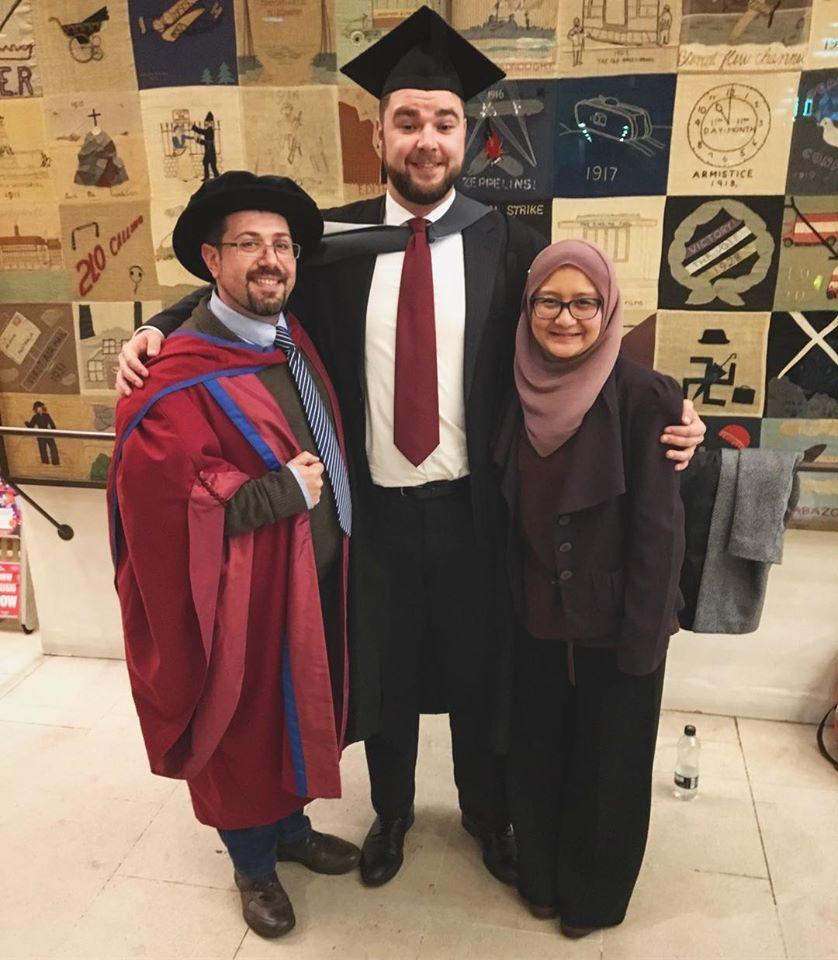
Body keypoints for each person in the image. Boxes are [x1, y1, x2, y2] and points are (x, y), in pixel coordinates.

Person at [115, 5, 705, 893]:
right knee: (383, 673)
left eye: (444, 122)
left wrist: (673, 412)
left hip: (477, 510)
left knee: (481, 674)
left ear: (466, 135)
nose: (426, 139)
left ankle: (485, 814)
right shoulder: (331, 243)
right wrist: (158, 327)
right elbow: (244, 291)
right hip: (372, 512)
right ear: (380, 133)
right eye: (408, 122)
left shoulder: (509, 242)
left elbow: (579, 332)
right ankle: (389, 813)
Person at [107, 173, 360, 940]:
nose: (270, 259)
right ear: (212, 260)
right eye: (249, 244)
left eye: (281, 244)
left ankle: (289, 829)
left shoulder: (287, 337)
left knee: (292, 710)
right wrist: (278, 494)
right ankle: (252, 864)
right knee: (239, 727)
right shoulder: (172, 375)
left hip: (307, 581)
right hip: (234, 598)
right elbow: (162, 508)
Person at [494, 239, 685, 938]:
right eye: (549, 300)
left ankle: (593, 900)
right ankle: (542, 881)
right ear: (528, 307)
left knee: (610, 766)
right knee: (537, 752)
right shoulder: (511, 388)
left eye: (584, 303)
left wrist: (644, 637)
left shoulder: (645, 396)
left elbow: (660, 531)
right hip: (532, 615)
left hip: (616, 618)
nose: (566, 318)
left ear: (608, 310)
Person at [25, 401, 60, 466]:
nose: (38, 409)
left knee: (53, 447)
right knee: (42, 449)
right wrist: (26, 423)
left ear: (42, 408)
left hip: (48, 433)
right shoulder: (35, 417)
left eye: (39, 407)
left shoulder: (47, 415)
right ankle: (45, 462)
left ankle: (55, 462)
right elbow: (31, 426)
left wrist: (53, 431)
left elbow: (52, 424)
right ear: (35, 409)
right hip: (40, 434)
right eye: (37, 408)